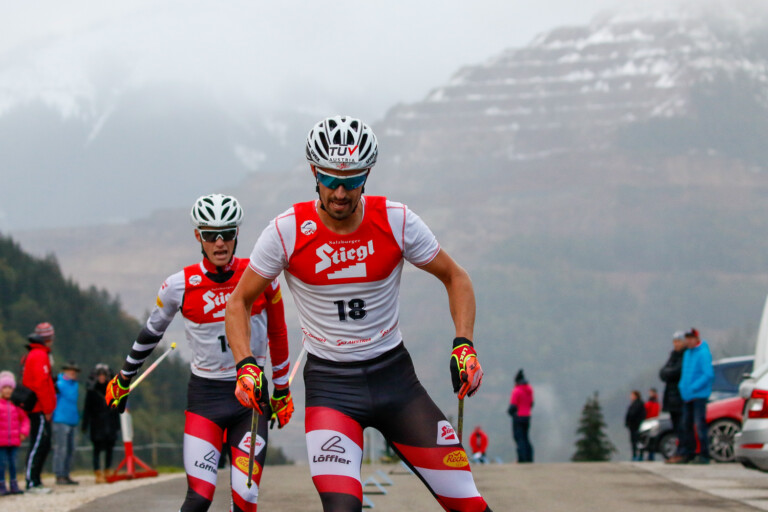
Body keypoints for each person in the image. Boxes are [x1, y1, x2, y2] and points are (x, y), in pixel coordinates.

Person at [225, 115, 491, 512]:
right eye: (330, 178)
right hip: (331, 389)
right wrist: (246, 364)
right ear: (314, 172)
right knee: (342, 509)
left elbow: (456, 277)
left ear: (367, 175)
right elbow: (239, 302)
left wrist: (464, 345)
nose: (340, 191)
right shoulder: (287, 230)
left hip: (396, 382)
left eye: (351, 180)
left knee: (468, 504)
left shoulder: (396, 220)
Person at [105, 194, 292, 512]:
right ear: (198, 236)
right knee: (198, 499)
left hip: (249, 400)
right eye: (210, 235)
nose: (220, 243)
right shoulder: (179, 285)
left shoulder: (260, 276)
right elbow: (152, 332)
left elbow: (277, 332)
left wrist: (282, 389)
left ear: (236, 235)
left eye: (227, 234)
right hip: (205, 398)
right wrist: (124, 378)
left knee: (245, 500)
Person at [668, 328, 713, 464]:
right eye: (687, 338)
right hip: (687, 396)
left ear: (697, 339)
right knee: (686, 425)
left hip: (699, 395)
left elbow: (708, 374)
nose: (689, 341)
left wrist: (694, 387)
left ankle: (704, 454)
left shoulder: (703, 353)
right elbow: (685, 374)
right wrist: (683, 387)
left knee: (700, 425)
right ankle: (690, 452)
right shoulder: (688, 353)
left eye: (691, 338)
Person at [21, 322, 57, 494]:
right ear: (48, 338)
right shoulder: (39, 355)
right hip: (39, 407)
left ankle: (36, 480)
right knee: (38, 443)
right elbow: (41, 384)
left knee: (44, 442)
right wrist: (48, 408)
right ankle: (31, 482)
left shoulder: (37, 353)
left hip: (40, 407)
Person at [82, 363, 121, 484]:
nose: (102, 377)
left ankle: (107, 470)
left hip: (110, 424)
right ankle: (97, 472)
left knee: (110, 448)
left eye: (104, 375)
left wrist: (117, 426)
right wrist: (85, 424)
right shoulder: (92, 391)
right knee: (97, 449)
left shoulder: (112, 391)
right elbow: (87, 409)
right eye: (100, 375)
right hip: (97, 424)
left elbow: (116, 410)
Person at [0, 371, 29, 495]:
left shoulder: (16, 406)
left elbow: (25, 420)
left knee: (13, 463)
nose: (8, 390)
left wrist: (23, 432)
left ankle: (14, 484)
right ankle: (1, 485)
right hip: (1, 441)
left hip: (14, 440)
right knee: (2, 464)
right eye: (5, 388)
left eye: (10, 388)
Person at [52, 361, 81, 485]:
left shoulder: (75, 385)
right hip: (60, 419)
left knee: (70, 449)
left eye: (74, 371)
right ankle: (59, 474)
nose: (72, 372)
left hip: (72, 419)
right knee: (61, 449)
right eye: (70, 370)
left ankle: (66, 473)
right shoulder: (58, 384)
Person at [660, 331, 686, 461]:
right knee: (676, 427)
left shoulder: (685, 355)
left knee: (682, 427)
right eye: (675, 342)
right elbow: (662, 372)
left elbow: (676, 372)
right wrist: (668, 373)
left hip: (680, 396)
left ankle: (682, 452)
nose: (676, 344)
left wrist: (668, 373)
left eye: (678, 341)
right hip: (671, 398)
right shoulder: (673, 355)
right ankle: (678, 452)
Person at [508, 368, 534, 463]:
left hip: (518, 417)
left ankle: (522, 459)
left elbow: (513, 406)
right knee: (526, 437)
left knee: (519, 438)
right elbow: (531, 403)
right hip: (527, 417)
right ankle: (529, 458)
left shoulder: (517, 390)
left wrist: (511, 413)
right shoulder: (529, 390)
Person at [625, 390, 646, 461]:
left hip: (636, 425)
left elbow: (632, 414)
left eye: (632, 395)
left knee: (637, 441)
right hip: (634, 425)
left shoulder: (637, 404)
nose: (631, 397)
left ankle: (638, 455)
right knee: (636, 441)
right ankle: (637, 455)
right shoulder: (636, 403)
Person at [643, 388, 660, 461]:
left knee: (650, 439)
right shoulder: (656, 403)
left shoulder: (652, 403)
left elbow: (645, 411)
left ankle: (650, 456)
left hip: (651, 421)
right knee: (650, 439)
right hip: (652, 421)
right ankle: (649, 455)